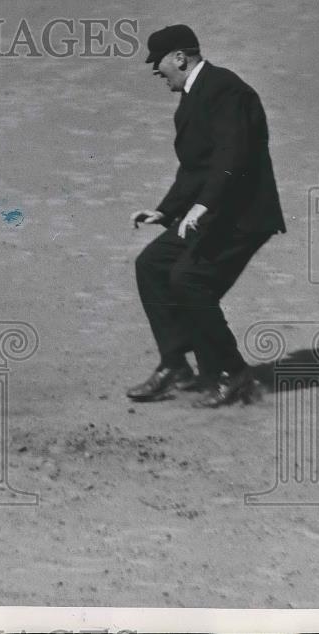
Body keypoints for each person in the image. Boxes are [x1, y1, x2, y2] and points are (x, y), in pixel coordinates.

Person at [127, 24, 286, 407]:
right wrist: (164, 210)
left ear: (180, 58)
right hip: (213, 211)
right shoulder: (195, 94)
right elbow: (196, 168)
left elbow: (232, 156)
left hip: (242, 215)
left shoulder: (225, 90)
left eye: (158, 61)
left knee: (189, 279)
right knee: (152, 264)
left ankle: (233, 374)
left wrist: (202, 205)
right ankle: (176, 364)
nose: (155, 70)